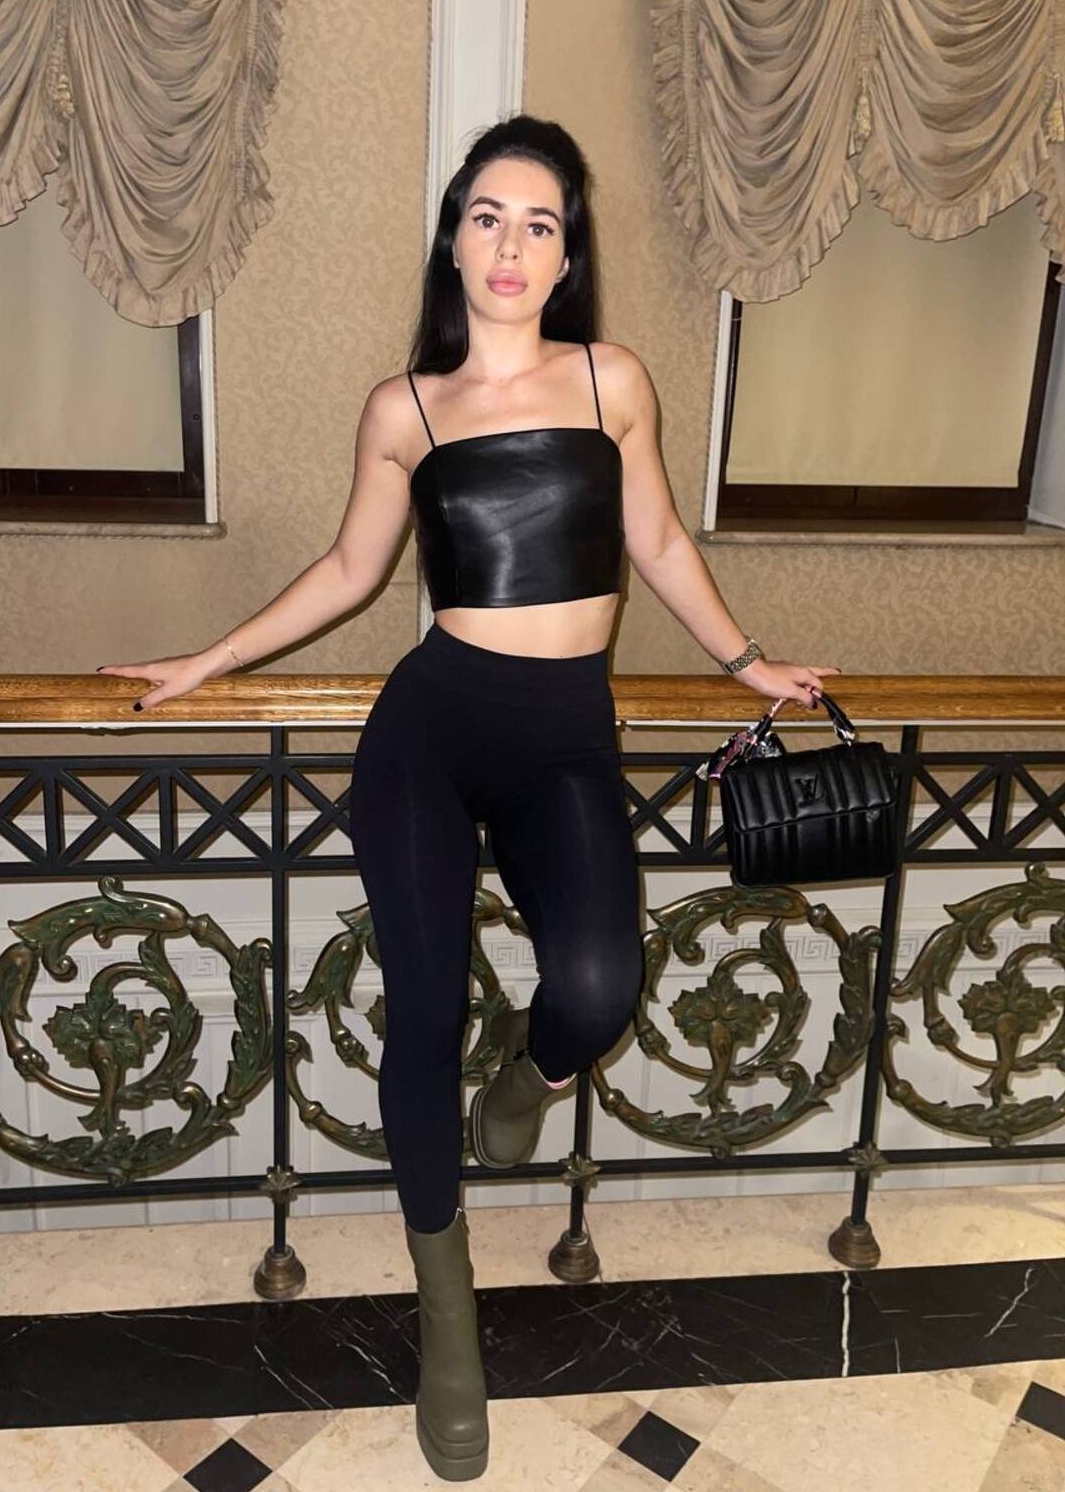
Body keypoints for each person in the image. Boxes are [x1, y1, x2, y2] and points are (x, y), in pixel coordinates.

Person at [96, 114, 841, 1482]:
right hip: (430, 732)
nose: (511, 245)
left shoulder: (613, 381)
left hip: (565, 737)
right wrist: (206, 660)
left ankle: (529, 1076)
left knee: (598, 987)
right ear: (454, 239)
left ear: (566, 254)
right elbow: (348, 571)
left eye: (539, 223)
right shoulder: (408, 407)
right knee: (425, 1011)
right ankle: (450, 1320)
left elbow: (656, 535)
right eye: (488, 216)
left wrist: (746, 662)